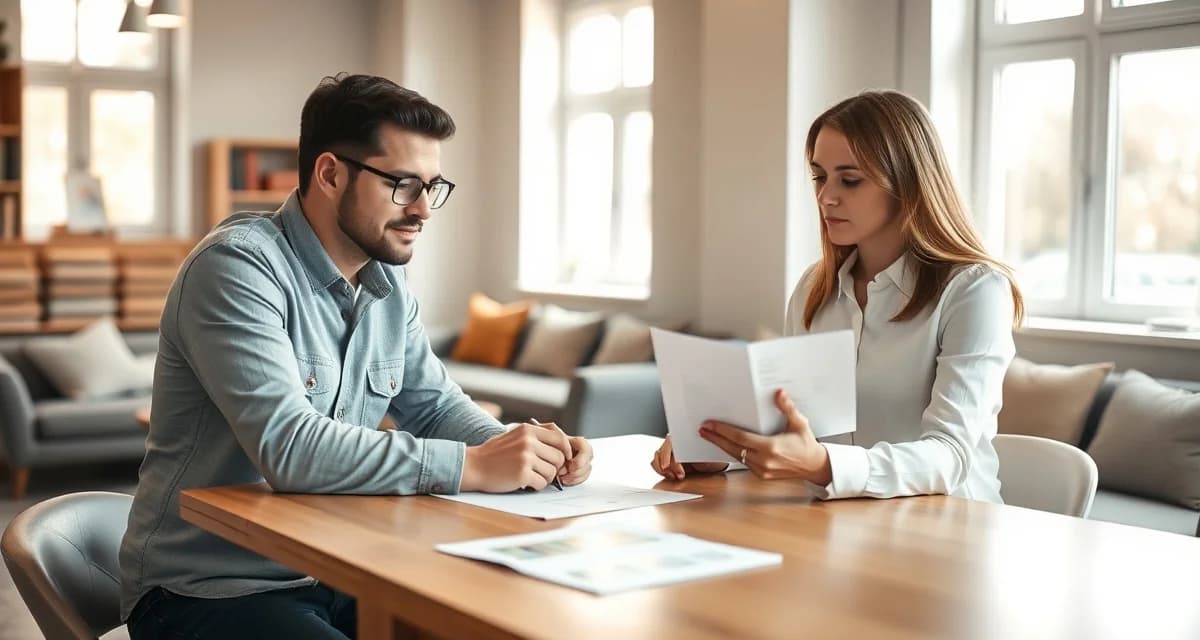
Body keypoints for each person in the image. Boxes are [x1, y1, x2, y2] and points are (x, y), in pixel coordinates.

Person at [119, 73, 593, 640]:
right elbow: (289, 447)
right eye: (402, 184)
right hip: (209, 588)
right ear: (330, 173)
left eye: (433, 187)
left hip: (341, 567)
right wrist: (472, 466)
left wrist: (524, 451)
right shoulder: (236, 269)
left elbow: (437, 407)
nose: (423, 209)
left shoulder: (389, 284)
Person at [651, 90, 1023, 502]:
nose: (826, 196)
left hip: (951, 530)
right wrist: (713, 448)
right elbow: (790, 432)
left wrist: (824, 465)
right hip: (839, 521)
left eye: (850, 179)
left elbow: (950, 456)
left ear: (907, 184)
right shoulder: (815, 289)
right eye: (819, 176)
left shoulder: (975, 292)